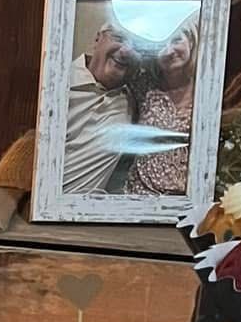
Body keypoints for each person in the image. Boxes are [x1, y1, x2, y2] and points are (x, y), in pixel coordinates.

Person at [61, 22, 137, 196]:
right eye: (119, 37)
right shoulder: (58, 81)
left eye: (138, 46)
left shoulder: (133, 97)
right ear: (97, 39)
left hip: (91, 214)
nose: (126, 51)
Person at [128, 22, 198, 197]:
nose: (168, 51)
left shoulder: (206, 88)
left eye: (175, 40)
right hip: (139, 193)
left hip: (187, 200)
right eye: (159, 45)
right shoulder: (143, 84)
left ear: (190, 40)